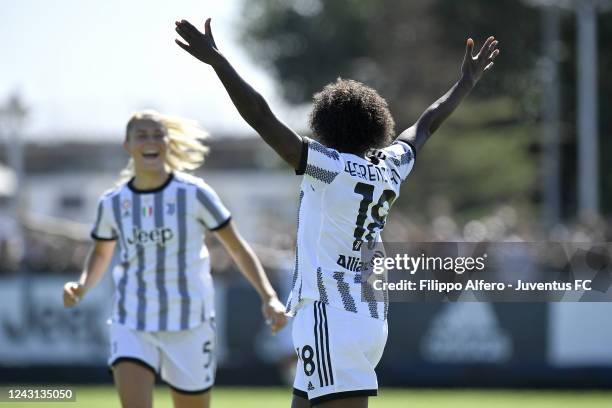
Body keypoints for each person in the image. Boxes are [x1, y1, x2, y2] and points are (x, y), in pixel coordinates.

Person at [175, 18, 499, 408]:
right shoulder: (389, 165)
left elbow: (262, 117)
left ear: (324, 126)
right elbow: (426, 124)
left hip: (331, 314)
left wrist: (219, 63)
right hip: (369, 317)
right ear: (378, 124)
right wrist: (466, 82)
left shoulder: (327, 165)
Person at [62, 110, 287, 408]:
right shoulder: (113, 202)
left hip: (190, 322)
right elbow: (102, 251)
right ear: (127, 145)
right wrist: (82, 284)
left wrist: (268, 296)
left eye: (158, 135)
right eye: (142, 135)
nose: (151, 141)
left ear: (168, 143)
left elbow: (237, 247)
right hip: (132, 319)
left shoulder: (195, 193)